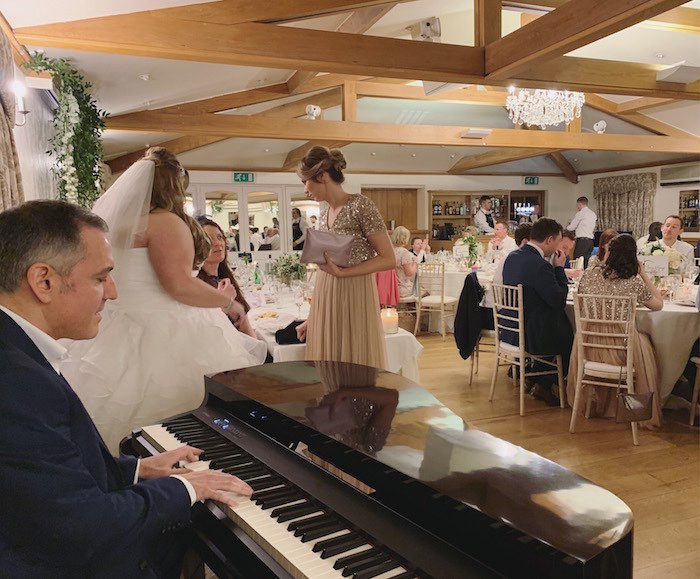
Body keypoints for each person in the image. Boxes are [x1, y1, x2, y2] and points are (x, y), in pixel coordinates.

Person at [0, 200, 252, 577]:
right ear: (44, 281)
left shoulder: (16, 351)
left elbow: (43, 481)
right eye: (101, 278)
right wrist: (187, 489)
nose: (114, 293)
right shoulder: (17, 380)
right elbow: (80, 527)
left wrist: (137, 470)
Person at [61, 147, 267, 453]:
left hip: (115, 325)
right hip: (164, 327)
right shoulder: (166, 223)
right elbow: (180, 286)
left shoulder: (120, 224)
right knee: (184, 416)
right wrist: (227, 303)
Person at [295, 146, 395, 368]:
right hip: (325, 290)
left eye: (306, 181)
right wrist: (313, 317)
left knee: (353, 360)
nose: (305, 189)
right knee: (329, 359)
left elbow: (389, 259)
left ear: (322, 176)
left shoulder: (361, 206)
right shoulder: (323, 213)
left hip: (355, 292)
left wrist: (344, 272)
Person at [567, 234, 664, 427]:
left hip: (589, 346)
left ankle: (605, 404)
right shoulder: (633, 282)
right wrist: (643, 274)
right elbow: (658, 305)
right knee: (650, 345)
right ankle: (634, 408)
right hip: (620, 351)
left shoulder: (590, 274)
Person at [501, 218, 574, 405]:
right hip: (530, 334)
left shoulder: (512, 257)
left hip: (510, 328)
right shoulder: (540, 265)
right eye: (558, 242)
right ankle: (544, 383)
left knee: (558, 325)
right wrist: (558, 269)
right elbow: (558, 300)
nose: (559, 247)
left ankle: (534, 377)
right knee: (570, 335)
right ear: (549, 240)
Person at [196, 216, 256, 337]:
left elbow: (244, 324)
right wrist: (225, 301)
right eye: (208, 239)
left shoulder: (224, 279)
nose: (218, 243)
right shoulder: (199, 286)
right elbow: (207, 332)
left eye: (219, 237)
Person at [482, 223, 532, 329]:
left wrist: (500, 247)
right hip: (504, 305)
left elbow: (511, 255)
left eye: (498, 229)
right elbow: (488, 259)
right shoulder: (491, 242)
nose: (496, 232)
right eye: (495, 229)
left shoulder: (512, 242)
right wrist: (494, 247)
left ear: (505, 230)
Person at [566, 196, 597, 268]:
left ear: (579, 204)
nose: (577, 207)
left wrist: (567, 227)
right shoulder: (593, 214)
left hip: (582, 241)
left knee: (578, 263)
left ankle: (577, 278)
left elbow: (571, 228)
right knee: (586, 263)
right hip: (590, 241)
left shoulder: (580, 213)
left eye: (577, 205)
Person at [391, 226, 419, 298]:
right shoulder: (404, 252)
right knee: (425, 291)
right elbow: (409, 273)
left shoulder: (390, 251)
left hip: (391, 287)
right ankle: (417, 309)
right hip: (402, 288)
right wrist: (415, 262)